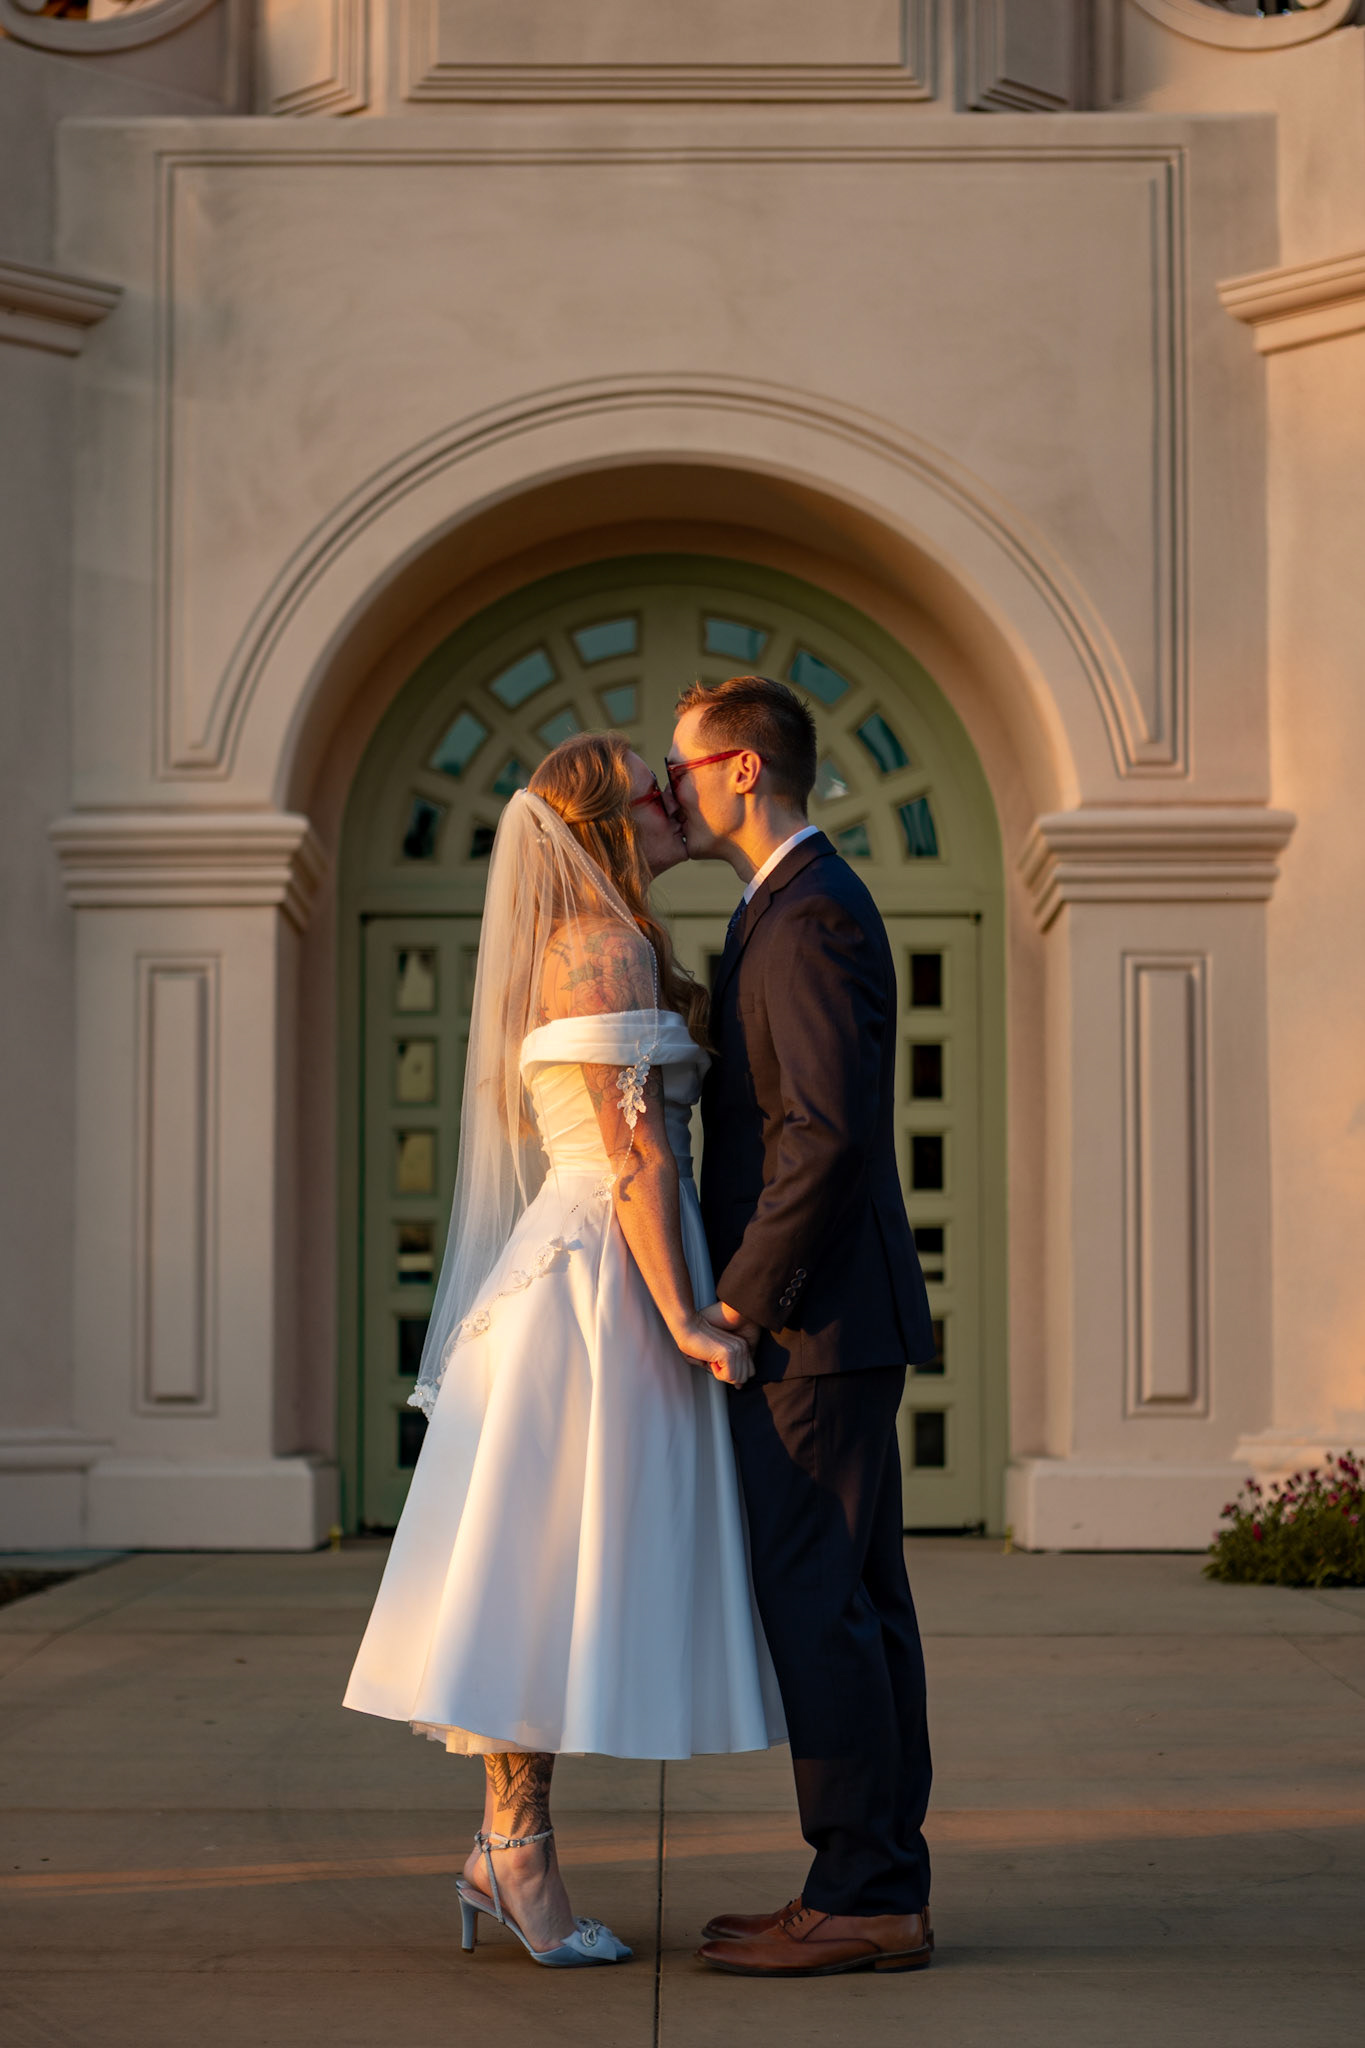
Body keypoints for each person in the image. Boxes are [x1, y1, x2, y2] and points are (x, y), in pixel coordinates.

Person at [343, 734, 784, 1968]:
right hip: (602, 1284)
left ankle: (509, 1848)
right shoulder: (604, 947)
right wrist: (687, 1314)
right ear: (607, 823)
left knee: (540, 1572)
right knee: (542, 1573)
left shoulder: (589, 941)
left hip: (589, 1269)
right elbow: (635, 1156)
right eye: (653, 784)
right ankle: (515, 1853)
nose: (673, 795)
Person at [667, 674, 938, 1979]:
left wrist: (735, 1299)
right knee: (857, 1604)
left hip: (812, 1327)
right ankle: (870, 1880)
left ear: (739, 769)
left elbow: (820, 1135)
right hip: (831, 1323)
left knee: (824, 1605)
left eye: (680, 769)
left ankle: (864, 1892)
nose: (670, 792)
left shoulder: (811, 911)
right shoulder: (779, 906)